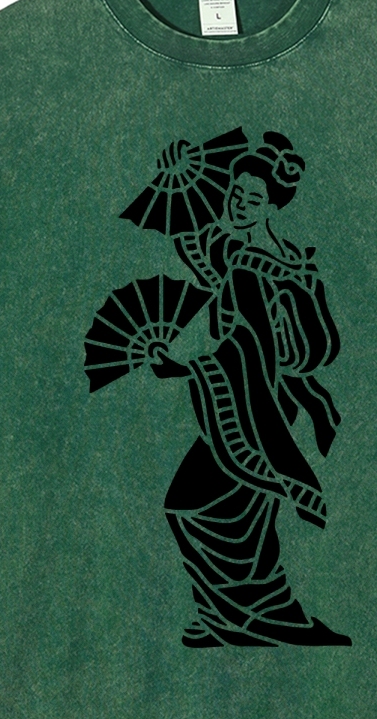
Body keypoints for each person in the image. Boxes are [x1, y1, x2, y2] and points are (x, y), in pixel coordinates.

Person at [150, 131, 351, 647]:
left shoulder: (254, 265)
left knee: (205, 506)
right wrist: (179, 180)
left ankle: (267, 613)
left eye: (253, 199)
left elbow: (259, 347)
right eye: (235, 193)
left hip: (255, 401)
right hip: (247, 393)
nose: (239, 204)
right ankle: (230, 616)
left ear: (272, 206)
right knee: (234, 511)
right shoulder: (256, 255)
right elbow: (199, 246)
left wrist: (184, 368)